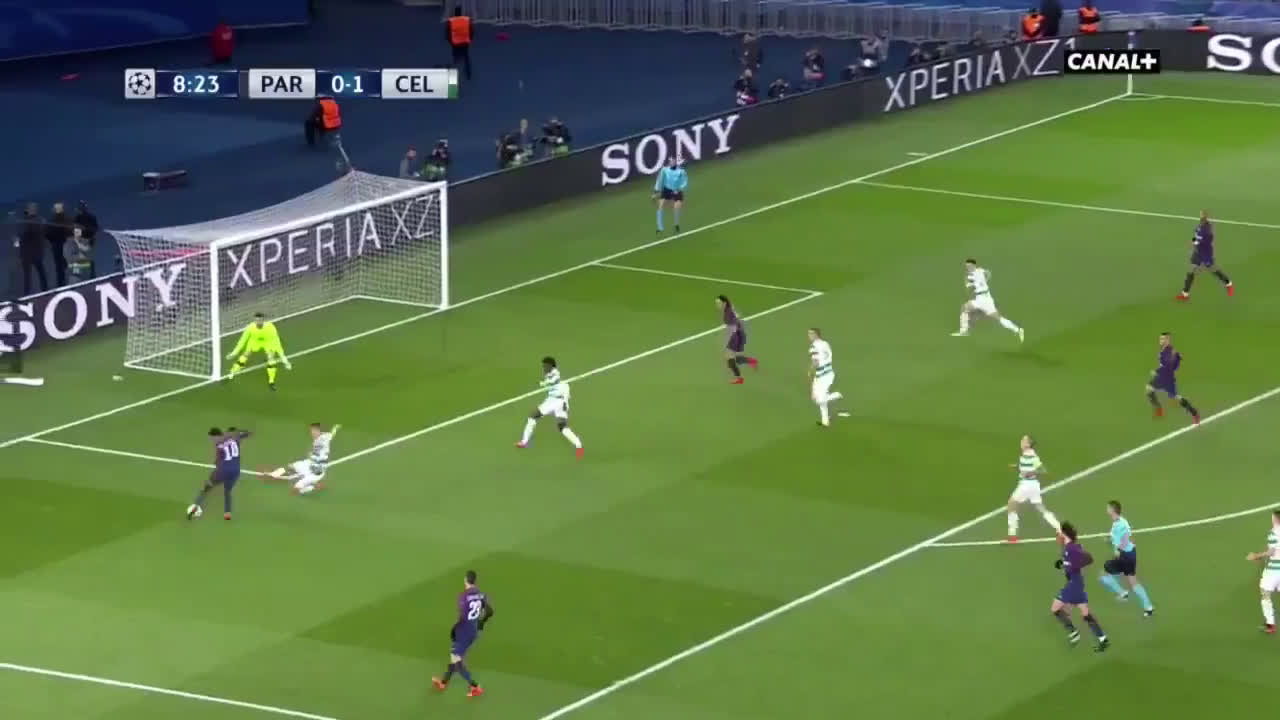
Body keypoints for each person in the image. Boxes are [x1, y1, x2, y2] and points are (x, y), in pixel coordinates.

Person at [1050, 522, 1110, 651]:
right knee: (1085, 614)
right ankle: (1103, 639)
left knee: (1055, 608)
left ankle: (1073, 632)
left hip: (1074, 585)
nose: (1057, 536)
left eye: (1059, 533)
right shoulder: (1069, 547)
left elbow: (1088, 558)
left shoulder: (1071, 549)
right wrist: (1063, 564)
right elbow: (1071, 562)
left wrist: (1073, 566)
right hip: (1076, 583)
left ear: (1064, 534)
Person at [432, 570, 492, 698]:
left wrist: (455, 629)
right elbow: (490, 611)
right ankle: (443, 682)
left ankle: (475, 686)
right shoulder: (482, 595)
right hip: (473, 631)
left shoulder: (463, 597)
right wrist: (481, 624)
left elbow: (462, 617)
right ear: (475, 581)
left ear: (465, 580)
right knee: (454, 658)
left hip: (464, 631)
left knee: (456, 659)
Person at [515, 356, 584, 457]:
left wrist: (544, 383)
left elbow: (554, 380)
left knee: (535, 417)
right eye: (543, 366)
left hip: (556, 401)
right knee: (560, 426)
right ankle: (579, 445)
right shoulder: (549, 374)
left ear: (551, 365)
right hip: (554, 400)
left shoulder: (555, 372)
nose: (543, 367)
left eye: (545, 365)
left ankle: (524, 442)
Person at [1097, 500, 1155, 616]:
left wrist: (1119, 549)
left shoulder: (1121, 523)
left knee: (1104, 575)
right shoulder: (1118, 522)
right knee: (1132, 581)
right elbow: (1120, 538)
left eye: (1108, 508)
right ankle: (1148, 607)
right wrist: (1108, 540)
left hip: (1125, 555)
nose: (1106, 509)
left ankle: (1123, 593)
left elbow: (1126, 537)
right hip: (1128, 554)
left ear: (1113, 510)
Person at [951, 258, 1025, 342]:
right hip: (981, 298)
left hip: (985, 300)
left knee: (998, 318)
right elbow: (987, 274)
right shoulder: (976, 273)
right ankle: (964, 331)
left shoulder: (975, 273)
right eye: (966, 266)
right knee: (965, 308)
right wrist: (977, 283)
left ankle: (1017, 329)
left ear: (974, 265)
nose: (968, 267)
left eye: (969, 266)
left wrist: (976, 283)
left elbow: (986, 275)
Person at [1006, 434, 1061, 543]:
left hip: (1027, 485)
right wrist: (1017, 467)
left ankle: (1012, 535)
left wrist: (1031, 473)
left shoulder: (1032, 456)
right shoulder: (1025, 455)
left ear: (1028, 444)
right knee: (1040, 507)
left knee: (1011, 504)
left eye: (1023, 440)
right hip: (1033, 485)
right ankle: (1059, 528)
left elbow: (1043, 470)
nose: (1021, 442)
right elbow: (1025, 469)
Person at [189, 427, 251, 521]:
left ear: (215, 436)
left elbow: (218, 462)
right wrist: (241, 433)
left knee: (207, 488)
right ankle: (227, 513)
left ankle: (194, 507)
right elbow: (246, 433)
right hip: (236, 471)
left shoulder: (218, 444)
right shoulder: (235, 439)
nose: (211, 440)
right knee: (227, 491)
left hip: (222, 471)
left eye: (211, 438)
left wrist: (216, 467)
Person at [267, 423, 341, 495]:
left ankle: (313, 486)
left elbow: (320, 458)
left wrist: (312, 456)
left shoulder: (323, 440)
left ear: (318, 430)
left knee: (295, 490)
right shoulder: (326, 436)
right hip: (309, 464)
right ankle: (274, 475)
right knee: (290, 466)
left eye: (313, 431)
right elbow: (332, 434)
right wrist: (335, 428)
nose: (312, 433)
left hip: (315, 473)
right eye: (311, 431)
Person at [225, 312, 292, 389]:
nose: (258, 322)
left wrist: (284, 359)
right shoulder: (250, 327)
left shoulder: (270, 327)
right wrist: (234, 353)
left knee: (271, 357)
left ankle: (271, 381)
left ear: (263, 320)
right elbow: (242, 340)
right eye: (256, 320)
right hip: (254, 341)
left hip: (267, 342)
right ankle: (232, 372)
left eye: (259, 320)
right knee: (246, 354)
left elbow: (277, 342)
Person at [1177, 209, 1233, 301]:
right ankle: (1185, 294)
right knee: (1191, 271)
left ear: (1205, 217)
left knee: (1213, 269)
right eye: (1201, 215)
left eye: (1202, 216)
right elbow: (1195, 237)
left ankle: (1228, 284)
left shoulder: (1207, 231)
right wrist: (1194, 243)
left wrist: (1195, 243)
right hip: (1198, 252)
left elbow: (1203, 241)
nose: (1201, 217)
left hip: (1206, 253)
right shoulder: (1199, 226)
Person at [1145, 331, 1200, 424]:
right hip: (1166, 377)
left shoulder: (1167, 352)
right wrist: (1177, 358)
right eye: (1160, 338)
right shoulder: (1167, 351)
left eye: (1163, 339)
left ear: (1168, 340)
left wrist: (1156, 372)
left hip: (1165, 377)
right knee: (1175, 397)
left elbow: (1168, 366)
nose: (1160, 340)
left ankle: (1159, 409)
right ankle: (1194, 413)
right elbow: (1175, 366)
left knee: (1150, 389)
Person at [1245, 509, 1280, 634]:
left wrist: (1256, 556)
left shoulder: (1273, 533)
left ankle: (1270, 625)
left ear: (1275, 519)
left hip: (1274, 571)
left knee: (1265, 594)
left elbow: (1271, 552)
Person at [717, 295, 757, 384]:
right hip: (739, 333)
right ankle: (751, 361)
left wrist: (729, 338)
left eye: (719, 303)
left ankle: (739, 378)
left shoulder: (728, 313)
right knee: (732, 358)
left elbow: (733, 327)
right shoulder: (729, 309)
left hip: (735, 335)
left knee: (729, 358)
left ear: (724, 303)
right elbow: (737, 320)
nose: (717, 305)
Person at [808, 328, 843, 427]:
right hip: (826, 373)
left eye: (811, 334)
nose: (809, 336)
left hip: (823, 376)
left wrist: (810, 371)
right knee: (816, 398)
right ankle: (825, 421)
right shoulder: (825, 343)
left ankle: (836, 395)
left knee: (819, 399)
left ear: (816, 335)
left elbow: (815, 362)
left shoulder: (813, 346)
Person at [653, 156, 687, 234]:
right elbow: (659, 180)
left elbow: (685, 182)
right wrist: (655, 192)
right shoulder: (665, 170)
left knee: (676, 207)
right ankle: (660, 228)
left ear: (675, 162)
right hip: (667, 190)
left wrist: (679, 188)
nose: (671, 163)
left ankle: (676, 225)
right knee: (660, 206)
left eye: (673, 161)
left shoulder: (681, 171)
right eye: (670, 162)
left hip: (677, 190)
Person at [19, 203, 47, 296]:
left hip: (28, 253)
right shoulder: (40, 220)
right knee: (40, 271)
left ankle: (27, 294)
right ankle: (45, 289)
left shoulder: (28, 221)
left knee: (28, 275)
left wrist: (19, 240)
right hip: (37, 251)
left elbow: (25, 235)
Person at [45, 201, 71, 287]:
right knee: (62, 265)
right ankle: (63, 282)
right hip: (60, 245)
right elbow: (47, 233)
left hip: (60, 245)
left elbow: (47, 233)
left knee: (61, 265)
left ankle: (62, 283)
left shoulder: (56, 220)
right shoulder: (62, 219)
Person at [447, 7, 473, 80]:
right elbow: (471, 31)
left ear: (455, 13)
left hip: (455, 43)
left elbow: (447, 34)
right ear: (461, 13)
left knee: (455, 59)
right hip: (465, 42)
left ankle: (453, 76)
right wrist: (469, 40)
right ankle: (468, 74)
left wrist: (451, 42)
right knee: (466, 57)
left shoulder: (451, 21)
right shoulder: (467, 20)